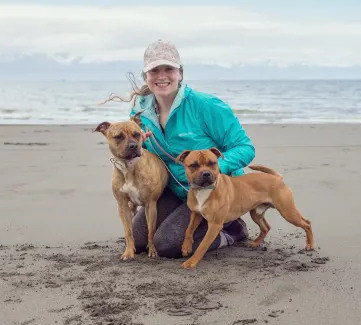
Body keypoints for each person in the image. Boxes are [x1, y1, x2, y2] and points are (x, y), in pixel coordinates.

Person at [106, 39, 255, 258]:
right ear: (145, 75)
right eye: (154, 70)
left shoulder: (206, 106)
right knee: (139, 242)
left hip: (212, 189)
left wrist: (212, 169)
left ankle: (232, 230)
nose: (162, 76)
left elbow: (245, 147)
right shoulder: (140, 110)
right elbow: (138, 148)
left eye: (169, 69)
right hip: (174, 189)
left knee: (167, 244)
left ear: (180, 73)